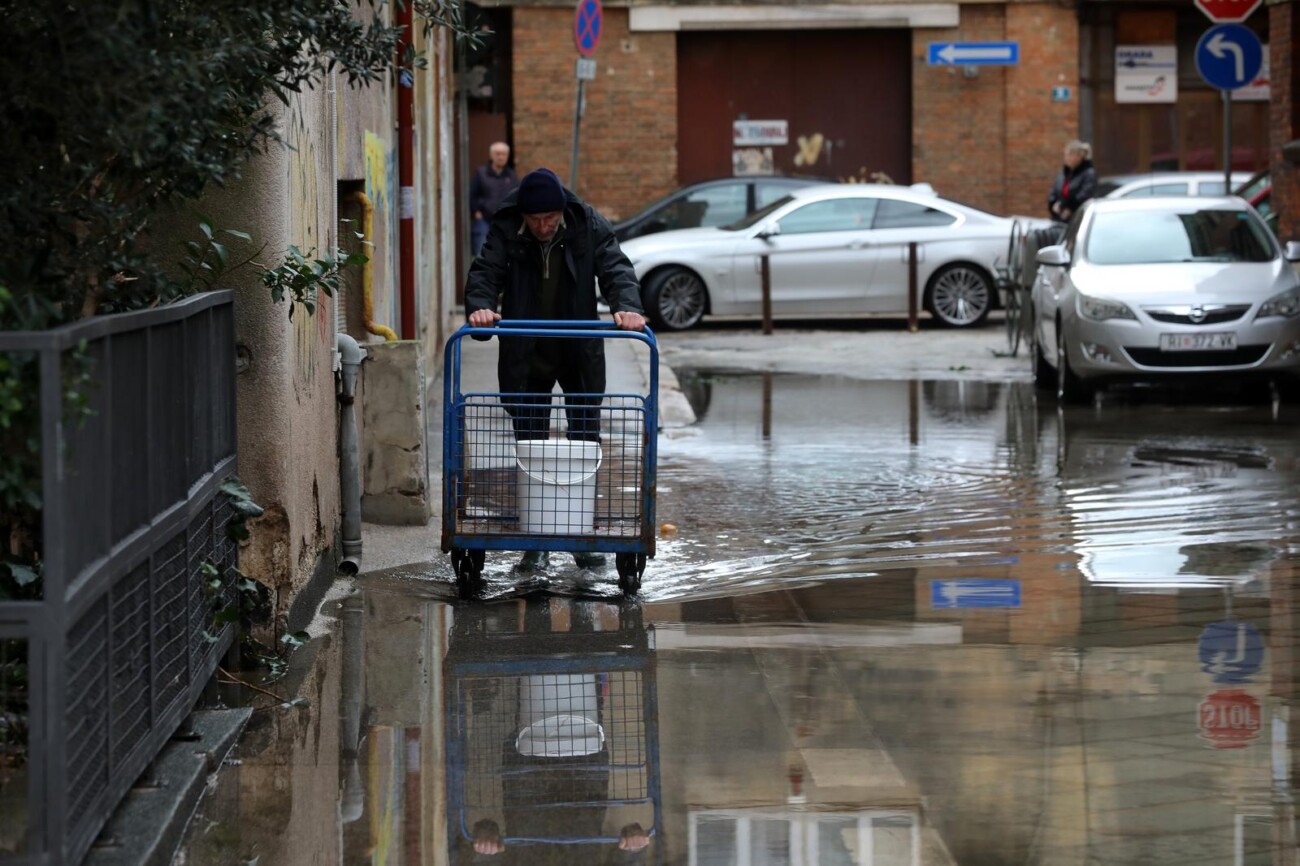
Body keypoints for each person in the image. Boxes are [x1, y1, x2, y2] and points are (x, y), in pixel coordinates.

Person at [464, 167, 646, 571]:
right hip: (527, 348)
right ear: (524, 215)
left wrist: (627, 307)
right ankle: (537, 539)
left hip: (576, 345)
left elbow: (615, 267)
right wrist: (480, 305)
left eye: (549, 219)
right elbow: (486, 270)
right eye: (536, 220)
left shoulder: (585, 223)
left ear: (561, 211)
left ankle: (582, 536)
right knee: (530, 443)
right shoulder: (508, 226)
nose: (544, 227)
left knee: (583, 439)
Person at [470, 142, 520, 256]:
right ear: (491, 155)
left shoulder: (511, 176)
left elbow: (516, 197)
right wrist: (477, 212)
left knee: (505, 255)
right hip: (484, 220)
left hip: (505, 221)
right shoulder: (481, 173)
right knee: (481, 254)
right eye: (497, 154)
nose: (501, 157)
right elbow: (473, 194)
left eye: (504, 154)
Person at [1047, 140, 1097, 224]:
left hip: (1077, 218)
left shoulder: (1088, 173)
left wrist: (1069, 207)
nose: (1067, 158)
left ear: (1079, 156)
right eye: (1066, 155)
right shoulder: (1064, 174)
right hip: (1059, 218)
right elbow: (1054, 191)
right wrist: (1054, 204)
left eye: (1070, 155)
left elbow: (1085, 195)